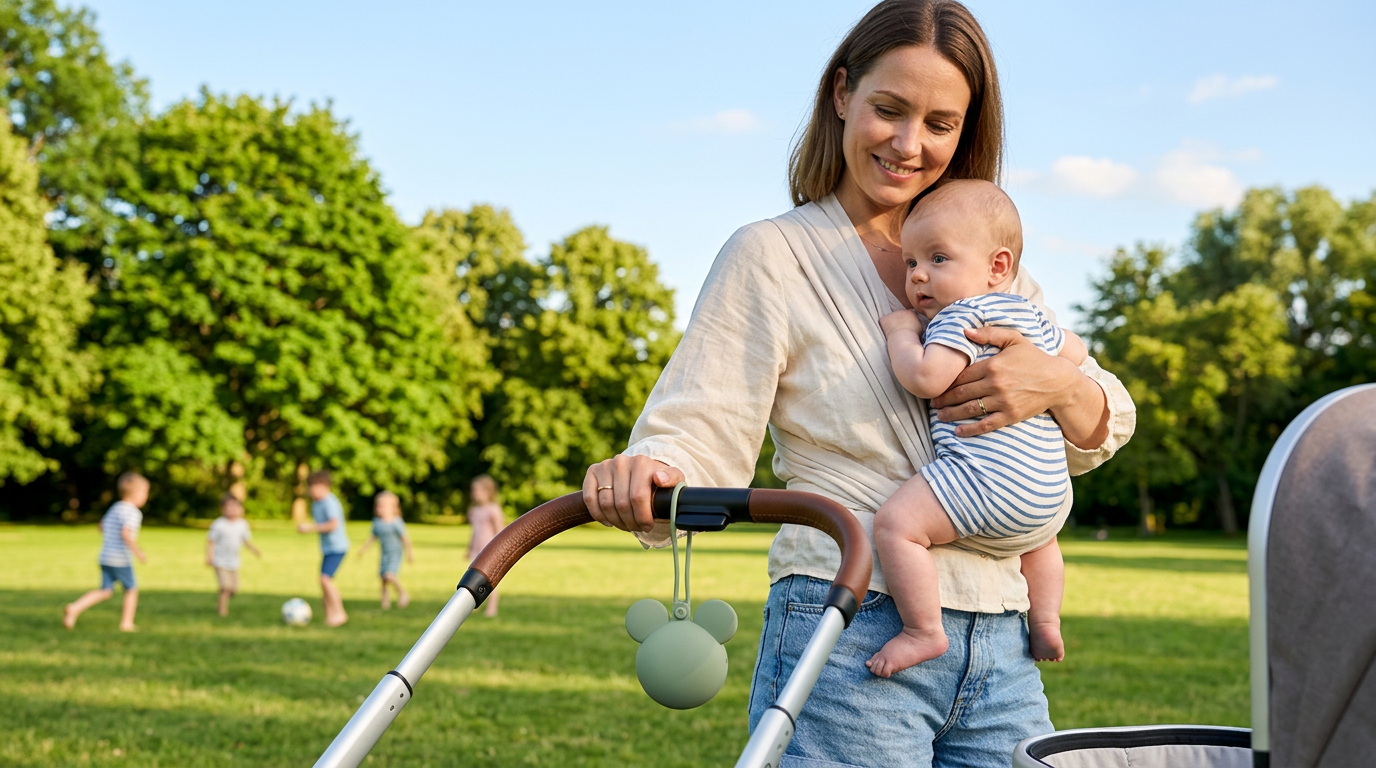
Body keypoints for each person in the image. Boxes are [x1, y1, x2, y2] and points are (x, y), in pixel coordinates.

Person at [581, 2, 1136, 765]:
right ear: (841, 95)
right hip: (847, 620)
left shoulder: (987, 270)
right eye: (889, 109)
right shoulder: (773, 255)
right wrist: (655, 468)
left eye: (940, 123)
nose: (910, 144)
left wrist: (1058, 385)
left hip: (1003, 635)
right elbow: (701, 424)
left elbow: (1100, 423)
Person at [866, 180, 1081, 678]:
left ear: (998, 266)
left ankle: (923, 630)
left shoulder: (957, 316)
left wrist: (901, 333)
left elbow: (925, 377)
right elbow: (1076, 351)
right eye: (912, 263)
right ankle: (1046, 618)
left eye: (938, 259)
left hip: (984, 481)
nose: (918, 277)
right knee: (1040, 543)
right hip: (1047, 493)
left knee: (898, 526)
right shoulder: (1030, 316)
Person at [63, 472, 150, 632]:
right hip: (121, 559)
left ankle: (75, 608)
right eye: (145, 493)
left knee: (105, 591)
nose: (146, 496)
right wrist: (138, 552)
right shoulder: (133, 512)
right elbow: (126, 533)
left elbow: (101, 526)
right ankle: (126, 623)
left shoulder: (115, 507)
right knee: (131, 589)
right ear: (137, 494)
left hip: (105, 556)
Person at [296, 469, 350, 627]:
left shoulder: (329, 502)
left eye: (316, 487)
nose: (312, 490)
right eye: (310, 487)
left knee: (325, 580)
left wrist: (310, 528)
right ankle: (330, 614)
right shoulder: (316, 504)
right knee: (323, 581)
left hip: (337, 547)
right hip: (328, 548)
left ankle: (340, 613)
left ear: (326, 487)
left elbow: (333, 524)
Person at [206, 493, 262, 617]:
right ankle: (222, 610)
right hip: (219, 560)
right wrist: (209, 556)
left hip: (234, 562)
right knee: (226, 587)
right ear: (223, 509)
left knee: (234, 588)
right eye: (228, 507)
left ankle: (222, 600)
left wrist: (254, 550)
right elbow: (210, 541)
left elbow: (245, 540)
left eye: (234, 506)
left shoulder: (242, 524)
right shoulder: (218, 524)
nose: (232, 509)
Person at [357, 491, 413, 609]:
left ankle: (403, 593)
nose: (379, 509)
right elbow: (373, 537)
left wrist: (409, 554)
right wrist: (363, 549)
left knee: (389, 575)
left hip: (395, 553)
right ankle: (385, 601)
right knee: (383, 578)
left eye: (383, 506)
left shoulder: (396, 522)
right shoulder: (377, 523)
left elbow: (405, 538)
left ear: (393, 508)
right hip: (384, 554)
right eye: (378, 506)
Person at [466, 475, 505, 618]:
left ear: (487, 491)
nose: (474, 494)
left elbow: (500, 531)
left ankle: (492, 606)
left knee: (490, 578)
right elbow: (474, 532)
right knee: (474, 577)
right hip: (477, 548)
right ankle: (474, 602)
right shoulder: (474, 511)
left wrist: (499, 549)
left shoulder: (493, 510)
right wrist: (469, 548)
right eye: (473, 491)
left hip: (489, 549)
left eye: (476, 490)